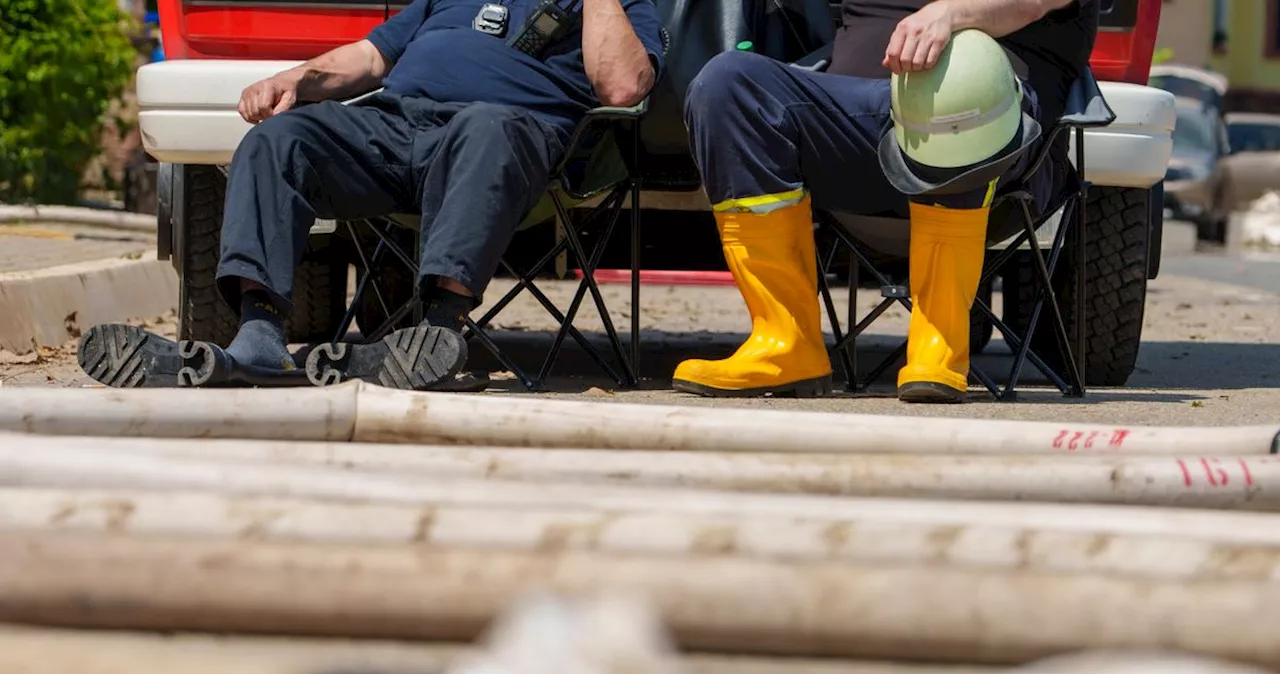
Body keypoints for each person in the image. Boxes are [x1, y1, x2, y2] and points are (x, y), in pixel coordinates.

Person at [78, 0, 665, 391]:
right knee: (281, 139)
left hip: (504, 142)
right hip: (395, 127)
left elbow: (622, 85)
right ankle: (259, 336)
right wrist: (295, 79)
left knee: (487, 125)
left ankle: (436, 331)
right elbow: (369, 57)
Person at [672, 0, 1098, 403]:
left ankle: (940, 345)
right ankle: (786, 343)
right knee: (728, 83)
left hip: (995, 143)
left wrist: (951, 13)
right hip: (859, 130)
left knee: (957, 76)